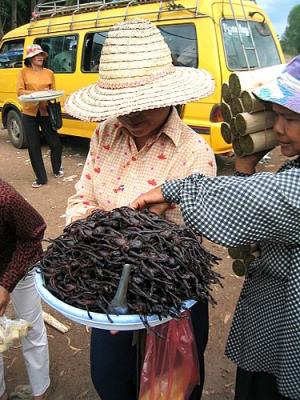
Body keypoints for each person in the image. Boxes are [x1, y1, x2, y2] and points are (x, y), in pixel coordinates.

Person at [131, 55, 300, 400]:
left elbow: (268, 200)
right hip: (272, 321)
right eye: (275, 116)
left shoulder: (291, 188)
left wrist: (174, 189)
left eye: (290, 118)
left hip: (289, 331)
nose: (278, 128)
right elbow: (256, 216)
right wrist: (244, 166)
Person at [65, 19, 216, 400]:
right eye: (123, 105)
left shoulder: (194, 152)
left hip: (168, 294)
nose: (131, 114)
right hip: (106, 291)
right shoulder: (106, 133)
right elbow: (82, 197)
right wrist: (88, 227)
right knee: (110, 380)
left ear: (168, 94)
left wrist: (172, 211)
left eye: (143, 103)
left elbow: (193, 242)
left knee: (170, 391)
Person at [0, 178, 50, 400]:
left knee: (31, 328)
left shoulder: (5, 198)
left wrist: (5, 284)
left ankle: (40, 391)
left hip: (20, 266)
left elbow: (33, 235)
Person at [17, 44, 63, 188]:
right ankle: (41, 178)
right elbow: (19, 91)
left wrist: (47, 93)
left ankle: (56, 169)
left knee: (55, 143)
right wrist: (33, 94)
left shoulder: (49, 72)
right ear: (30, 58)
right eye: (37, 55)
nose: (40, 57)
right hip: (29, 113)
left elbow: (53, 90)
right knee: (34, 146)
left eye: (41, 55)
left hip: (45, 112)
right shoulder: (23, 72)